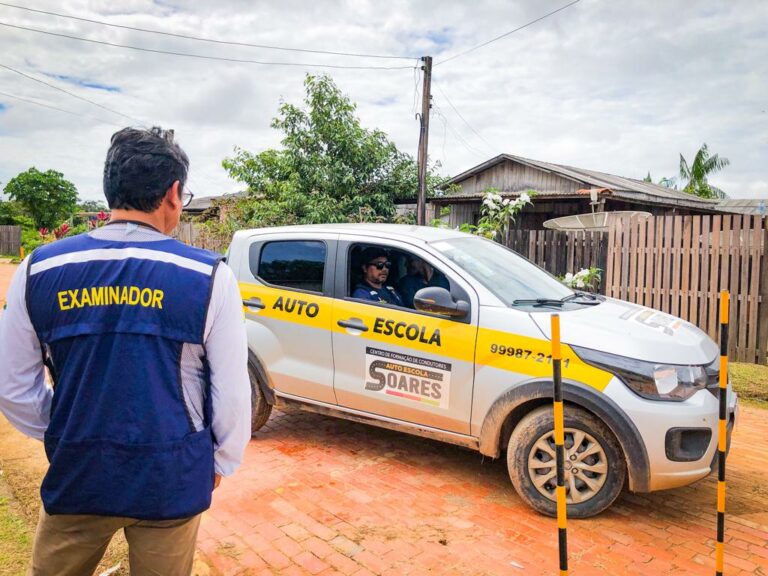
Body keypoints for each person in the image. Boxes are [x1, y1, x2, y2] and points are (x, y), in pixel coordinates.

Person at [0, 127, 251, 576]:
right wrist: (220, 461)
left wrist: (64, 434)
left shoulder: (39, 269)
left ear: (110, 188)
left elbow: (12, 386)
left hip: (78, 474)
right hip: (170, 475)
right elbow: (232, 392)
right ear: (174, 193)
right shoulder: (209, 277)